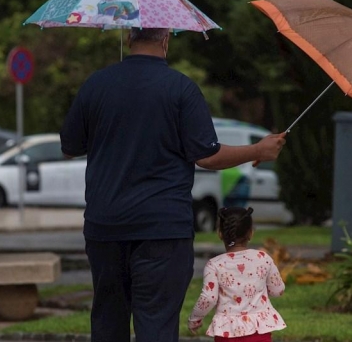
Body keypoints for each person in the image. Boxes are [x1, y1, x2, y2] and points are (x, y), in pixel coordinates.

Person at [60, 27, 287, 342]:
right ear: (166, 38)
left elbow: (69, 146)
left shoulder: (95, 84)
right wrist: (257, 150)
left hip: (105, 227)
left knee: (108, 323)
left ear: (129, 38)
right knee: (156, 326)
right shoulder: (181, 89)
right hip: (162, 230)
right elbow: (206, 156)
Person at [187, 207, 286, 341]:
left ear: (220, 233)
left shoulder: (215, 265)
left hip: (228, 332)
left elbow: (209, 298)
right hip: (259, 331)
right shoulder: (263, 258)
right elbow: (277, 290)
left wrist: (195, 318)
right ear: (251, 233)